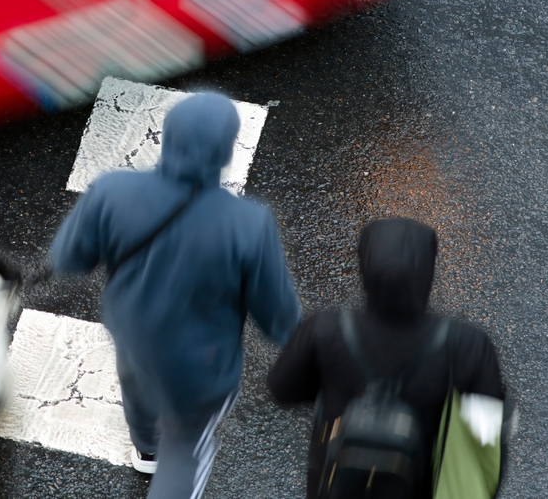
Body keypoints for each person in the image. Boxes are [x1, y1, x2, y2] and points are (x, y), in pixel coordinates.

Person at [51, 92, 302, 499]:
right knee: (186, 450)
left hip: (132, 334)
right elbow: (277, 317)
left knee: (138, 390)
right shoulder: (247, 224)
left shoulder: (111, 191)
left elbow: (68, 259)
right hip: (201, 365)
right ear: (224, 152)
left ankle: (147, 448)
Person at [266, 217, 507, 499]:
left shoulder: (325, 330)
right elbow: (487, 437)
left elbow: (282, 389)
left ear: (365, 266)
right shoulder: (468, 344)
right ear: (427, 271)